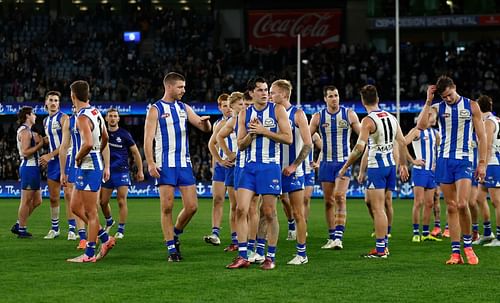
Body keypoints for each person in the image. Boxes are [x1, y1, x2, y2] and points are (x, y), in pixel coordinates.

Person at [417, 76, 486, 265]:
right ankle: (456, 253)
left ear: (455, 88)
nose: (447, 99)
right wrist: (428, 101)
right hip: (444, 161)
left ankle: (468, 246)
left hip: (464, 160)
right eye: (444, 97)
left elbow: (481, 136)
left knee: (463, 204)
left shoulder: (471, 106)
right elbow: (421, 126)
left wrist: (482, 163)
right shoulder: (438, 108)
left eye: (449, 95)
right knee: (452, 207)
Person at [144, 72, 211, 262]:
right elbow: (148, 139)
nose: (184, 90)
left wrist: (206, 124)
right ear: (170, 87)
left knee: (192, 206)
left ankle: (175, 233)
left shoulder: (184, 107)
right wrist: (150, 162)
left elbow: (202, 126)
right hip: (165, 165)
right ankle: (172, 249)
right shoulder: (155, 109)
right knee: (167, 207)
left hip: (184, 164)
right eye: (181, 87)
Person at [226, 77, 292, 270]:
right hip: (248, 167)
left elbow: (287, 138)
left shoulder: (277, 110)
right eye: (260, 90)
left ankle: (270, 257)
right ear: (251, 93)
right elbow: (240, 144)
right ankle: (243, 256)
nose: (265, 93)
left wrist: (264, 131)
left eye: (266, 90)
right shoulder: (245, 113)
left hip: (270, 167)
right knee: (241, 209)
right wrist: (252, 134)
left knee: (269, 212)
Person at [339, 84, 409, 258]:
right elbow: (401, 142)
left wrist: (346, 166)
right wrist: (402, 164)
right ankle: (382, 245)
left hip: (377, 168)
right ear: (377, 99)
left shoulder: (368, 121)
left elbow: (359, 148)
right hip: (390, 166)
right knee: (373, 203)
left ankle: (381, 249)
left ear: (363, 101)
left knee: (378, 209)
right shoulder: (392, 117)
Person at [66, 80, 115, 263]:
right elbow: (105, 137)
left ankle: (89, 254)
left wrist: (79, 157)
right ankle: (105, 238)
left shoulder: (82, 117)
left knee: (91, 212)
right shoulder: (95, 112)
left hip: (88, 166)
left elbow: (87, 143)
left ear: (73, 96)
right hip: (90, 164)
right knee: (75, 207)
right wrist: (97, 152)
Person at [309, 85, 360, 250]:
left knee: (340, 196)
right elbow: (306, 138)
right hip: (325, 163)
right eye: (330, 96)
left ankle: (339, 237)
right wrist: (309, 159)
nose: (334, 98)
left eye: (336, 95)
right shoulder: (318, 117)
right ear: (325, 99)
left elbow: (363, 135)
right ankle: (331, 237)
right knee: (329, 202)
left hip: (344, 163)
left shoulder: (349, 114)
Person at [271, 79, 313, 265]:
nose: (270, 96)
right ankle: (258, 250)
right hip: (273, 169)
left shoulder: (298, 114)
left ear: (284, 95)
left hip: (293, 171)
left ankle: (302, 254)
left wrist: (295, 165)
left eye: (273, 93)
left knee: (298, 213)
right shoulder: (271, 112)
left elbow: (308, 143)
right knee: (267, 211)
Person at [100, 108, 144, 239]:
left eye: (115, 116)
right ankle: (109, 221)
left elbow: (135, 152)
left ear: (118, 119)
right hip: (107, 171)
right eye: (110, 116)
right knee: (102, 202)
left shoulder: (124, 134)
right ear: (106, 119)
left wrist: (140, 170)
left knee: (121, 200)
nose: (113, 118)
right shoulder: (102, 134)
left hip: (122, 171)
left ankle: (121, 229)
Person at [40, 91, 75, 240]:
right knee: (53, 197)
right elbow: (53, 138)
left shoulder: (64, 118)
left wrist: (49, 155)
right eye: (51, 100)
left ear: (59, 104)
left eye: (56, 100)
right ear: (46, 103)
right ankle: (55, 229)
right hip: (53, 162)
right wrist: (44, 141)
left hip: (65, 158)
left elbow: (66, 143)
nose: (53, 103)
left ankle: (72, 229)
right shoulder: (45, 121)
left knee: (68, 194)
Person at [215, 92, 247, 252]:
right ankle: (236, 240)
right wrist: (228, 154)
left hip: (248, 166)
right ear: (233, 106)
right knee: (235, 206)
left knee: (249, 206)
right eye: (241, 104)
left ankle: (250, 239)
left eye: (245, 104)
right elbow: (216, 140)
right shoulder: (230, 122)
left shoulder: (248, 119)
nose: (244, 107)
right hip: (234, 167)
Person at [405, 111, 441, 242]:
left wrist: (437, 164)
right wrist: (413, 161)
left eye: (435, 117)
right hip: (420, 171)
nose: (434, 119)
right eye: (431, 116)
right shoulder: (416, 131)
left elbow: (439, 150)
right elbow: (402, 143)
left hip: (431, 172)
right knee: (418, 202)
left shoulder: (435, 133)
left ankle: (425, 233)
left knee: (430, 203)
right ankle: (416, 232)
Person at [11, 106, 44, 238]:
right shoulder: (25, 131)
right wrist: (39, 145)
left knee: (37, 200)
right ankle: (22, 230)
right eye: (33, 114)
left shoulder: (28, 131)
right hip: (29, 167)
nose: (35, 116)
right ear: (28, 116)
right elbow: (25, 152)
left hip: (33, 168)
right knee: (26, 201)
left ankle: (19, 224)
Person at [204, 93, 233, 246]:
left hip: (235, 166)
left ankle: (237, 238)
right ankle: (215, 233)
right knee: (218, 199)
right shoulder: (218, 124)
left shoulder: (239, 120)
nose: (228, 108)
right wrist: (217, 163)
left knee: (237, 205)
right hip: (222, 167)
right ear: (220, 108)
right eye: (224, 106)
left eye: (229, 105)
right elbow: (213, 145)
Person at [59, 106, 88, 250]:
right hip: (74, 164)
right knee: (74, 203)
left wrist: (106, 165)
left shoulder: (91, 117)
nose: (76, 108)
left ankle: (97, 233)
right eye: (73, 106)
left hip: (90, 163)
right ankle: (83, 237)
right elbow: (64, 147)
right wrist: (63, 171)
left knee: (90, 203)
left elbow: (102, 141)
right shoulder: (69, 121)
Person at [476, 95, 500, 247]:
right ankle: (486, 233)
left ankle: (499, 236)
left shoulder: (488, 122)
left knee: (497, 202)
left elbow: (489, 145)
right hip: (492, 163)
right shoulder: (496, 119)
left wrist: (482, 165)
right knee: (479, 198)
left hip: (493, 164)